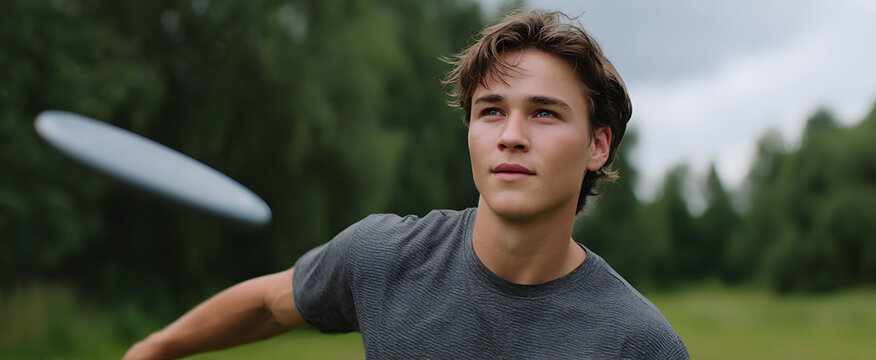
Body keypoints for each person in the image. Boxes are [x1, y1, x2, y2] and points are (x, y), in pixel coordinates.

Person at [125, 10, 689, 359]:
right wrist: (152, 350)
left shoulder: (638, 344)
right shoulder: (386, 257)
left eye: (544, 114)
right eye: (491, 111)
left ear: (598, 145)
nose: (511, 136)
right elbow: (270, 305)